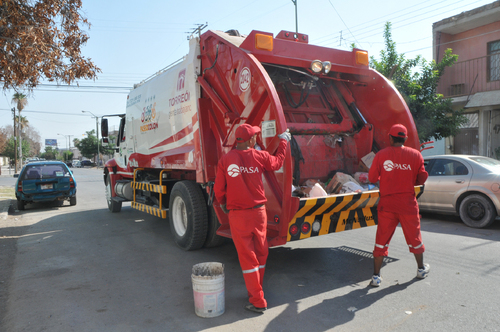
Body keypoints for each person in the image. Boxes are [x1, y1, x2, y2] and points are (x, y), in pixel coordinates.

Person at [214, 123, 290, 313]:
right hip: (259, 214)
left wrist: (223, 203)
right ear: (249, 140)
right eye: (255, 135)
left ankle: (257, 299)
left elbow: (218, 189)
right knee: (261, 252)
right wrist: (284, 141)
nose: (256, 138)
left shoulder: (226, 160)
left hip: (238, 216)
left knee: (248, 258)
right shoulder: (260, 156)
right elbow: (278, 162)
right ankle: (258, 292)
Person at [368, 124, 429, 287]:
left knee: (381, 239)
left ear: (390, 137)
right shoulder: (415, 155)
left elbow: (372, 177)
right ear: (405, 139)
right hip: (408, 204)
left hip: (387, 205)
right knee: (414, 237)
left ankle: (376, 276)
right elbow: (422, 178)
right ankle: (421, 269)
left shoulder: (381, 155)